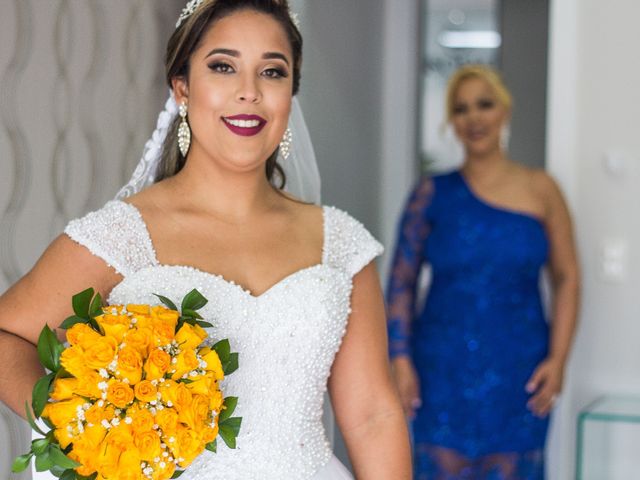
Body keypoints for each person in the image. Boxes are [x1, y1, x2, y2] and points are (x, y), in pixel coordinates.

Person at [0, 1, 411, 478]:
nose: (249, 92)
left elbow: (372, 416)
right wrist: (79, 422)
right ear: (182, 89)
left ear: (290, 94)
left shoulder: (340, 243)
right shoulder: (123, 236)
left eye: (272, 73)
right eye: (223, 66)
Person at [387, 64, 579, 479]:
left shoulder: (542, 190)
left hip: (521, 369)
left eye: (484, 105)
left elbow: (567, 277)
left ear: (504, 111)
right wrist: (400, 360)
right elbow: (401, 281)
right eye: (461, 109)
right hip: (440, 369)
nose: (474, 118)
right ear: (452, 122)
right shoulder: (431, 193)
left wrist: (559, 359)